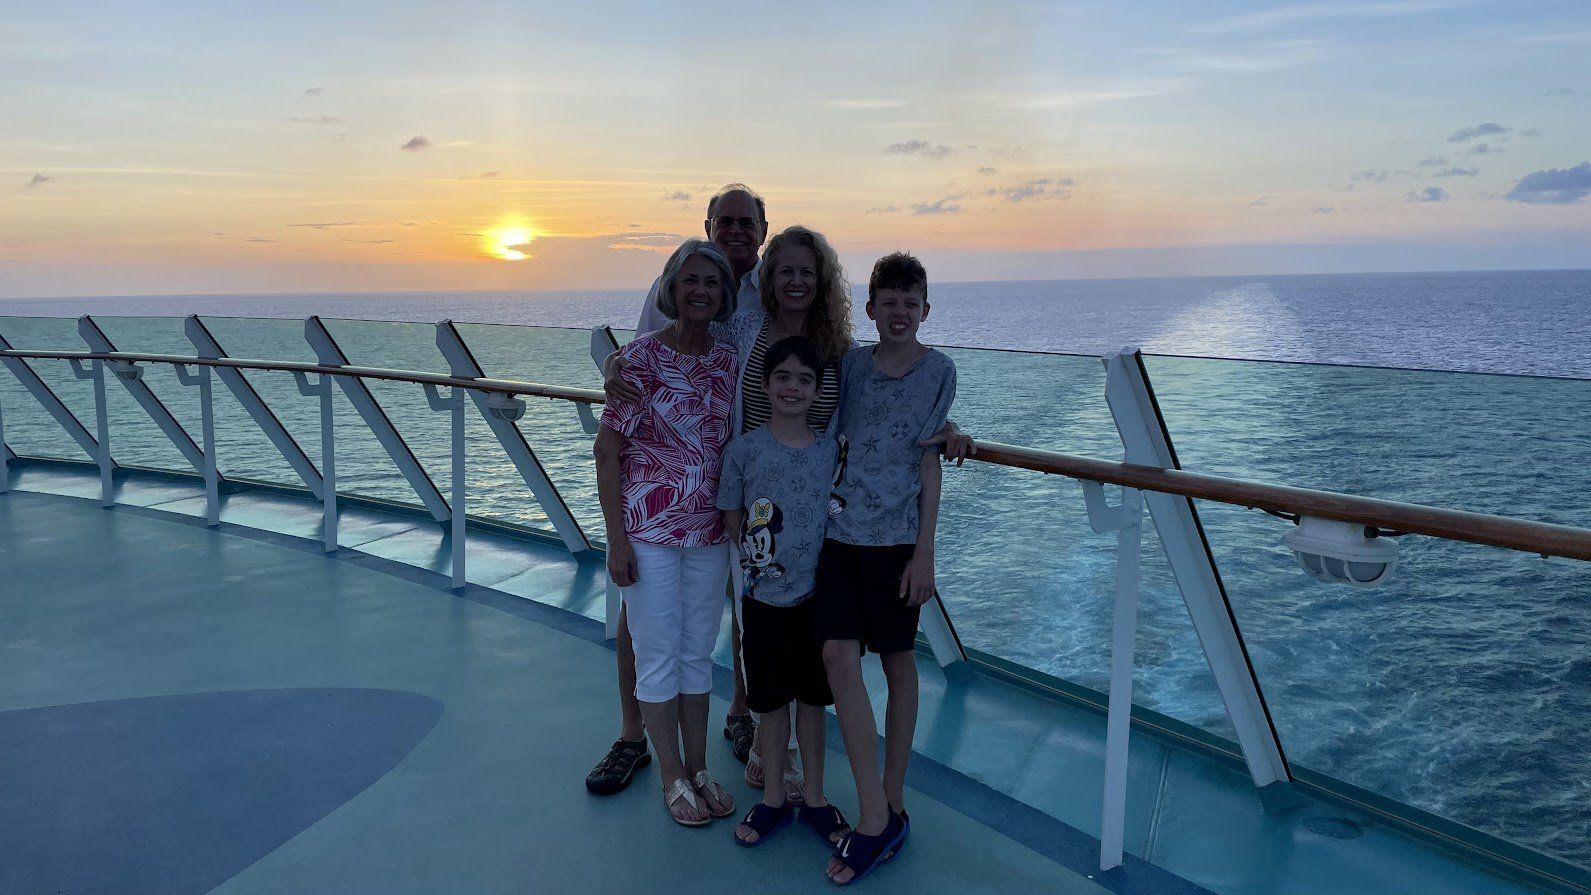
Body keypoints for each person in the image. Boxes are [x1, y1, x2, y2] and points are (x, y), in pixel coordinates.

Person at [593, 216, 976, 793]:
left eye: (808, 271)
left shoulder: (839, 351)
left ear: (823, 281)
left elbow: (879, 407)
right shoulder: (740, 331)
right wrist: (615, 364)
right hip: (742, 508)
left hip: (818, 516)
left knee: (805, 631)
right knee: (757, 627)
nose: (797, 280)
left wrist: (948, 427)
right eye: (787, 270)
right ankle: (756, 748)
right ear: (769, 278)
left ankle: (784, 753)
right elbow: (674, 347)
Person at [817, 253, 955, 883]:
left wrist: (925, 552)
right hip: (839, 534)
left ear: (926, 309)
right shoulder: (850, 365)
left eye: (912, 302)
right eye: (888, 301)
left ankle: (891, 804)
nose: (899, 313)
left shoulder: (939, 372)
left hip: (898, 543)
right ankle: (874, 807)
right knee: (839, 661)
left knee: (900, 666)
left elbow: (928, 463)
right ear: (869, 307)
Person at [591, 239, 739, 826]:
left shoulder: (730, 363)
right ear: (671, 290)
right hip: (648, 532)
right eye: (689, 281)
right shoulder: (640, 360)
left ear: (723, 294)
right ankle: (671, 775)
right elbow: (609, 450)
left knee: (697, 655)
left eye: (711, 282)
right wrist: (616, 539)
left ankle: (700, 768)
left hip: (708, 534)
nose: (700, 291)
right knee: (656, 658)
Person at [717, 336, 850, 849]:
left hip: (818, 602)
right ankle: (774, 799)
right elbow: (732, 514)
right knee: (770, 706)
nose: (792, 387)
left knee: (814, 704)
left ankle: (814, 800)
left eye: (804, 379)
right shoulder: (745, 449)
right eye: (783, 378)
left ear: (818, 390)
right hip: (764, 603)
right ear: (766, 385)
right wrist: (762, 562)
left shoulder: (828, 451)